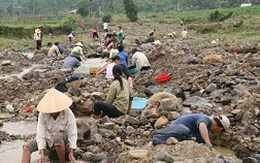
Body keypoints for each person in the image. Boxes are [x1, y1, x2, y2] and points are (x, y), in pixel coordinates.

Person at [22, 88, 77, 163]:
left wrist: (71, 153)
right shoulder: (43, 114)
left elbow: (72, 133)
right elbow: (41, 134)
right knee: (26, 147)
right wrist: (42, 153)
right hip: (48, 139)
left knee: (57, 138)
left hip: (63, 140)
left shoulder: (67, 112)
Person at [153, 113, 230, 149]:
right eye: (221, 132)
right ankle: (157, 138)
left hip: (178, 133)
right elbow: (202, 125)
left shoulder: (204, 133)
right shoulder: (207, 119)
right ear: (220, 129)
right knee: (186, 132)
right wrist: (208, 142)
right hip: (176, 129)